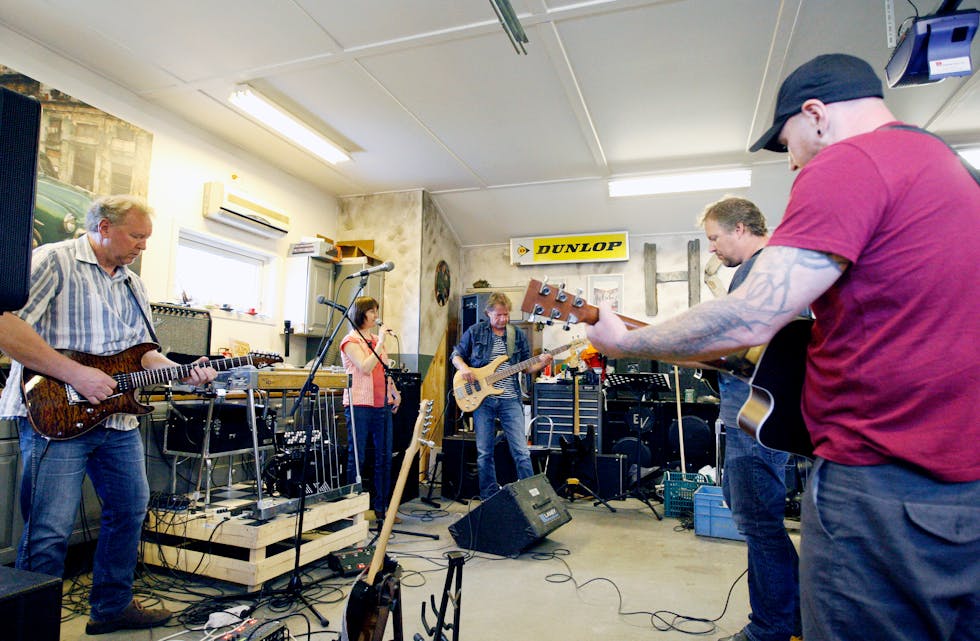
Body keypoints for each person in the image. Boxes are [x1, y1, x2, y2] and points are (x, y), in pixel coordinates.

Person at [585, 53, 979, 641]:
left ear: (816, 114)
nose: (794, 164)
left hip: (879, 482)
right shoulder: (953, 169)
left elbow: (753, 315)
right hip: (957, 489)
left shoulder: (851, 162)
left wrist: (626, 340)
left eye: (789, 144)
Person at [0, 195, 217, 635]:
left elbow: (144, 354)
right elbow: (6, 323)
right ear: (102, 226)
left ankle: (112, 607)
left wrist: (183, 373)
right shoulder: (53, 261)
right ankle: (29, 628)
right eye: (136, 235)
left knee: (129, 511)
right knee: (48, 531)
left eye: (146, 238)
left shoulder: (133, 284)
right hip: (54, 415)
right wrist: (76, 374)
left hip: (117, 421)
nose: (143, 246)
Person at [699, 196, 800, 641]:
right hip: (752, 415)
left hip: (753, 421)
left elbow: (746, 343)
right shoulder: (761, 270)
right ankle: (792, 619)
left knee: (759, 524)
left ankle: (772, 627)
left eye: (714, 238)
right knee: (758, 522)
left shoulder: (761, 267)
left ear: (740, 228)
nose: (713, 250)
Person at [451, 292, 552, 500]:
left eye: (506, 315)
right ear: (488, 313)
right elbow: (456, 355)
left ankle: (532, 497)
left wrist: (542, 363)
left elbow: (526, 367)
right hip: (482, 400)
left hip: (510, 398)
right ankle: (489, 497)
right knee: (484, 453)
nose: (503, 319)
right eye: (498, 315)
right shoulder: (475, 331)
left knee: (522, 452)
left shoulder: (516, 335)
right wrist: (463, 368)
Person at [340, 296, 401, 522]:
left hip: (380, 403)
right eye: (372, 311)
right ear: (361, 313)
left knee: (384, 456)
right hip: (359, 404)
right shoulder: (350, 340)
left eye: (376, 311)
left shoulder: (375, 339)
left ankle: (382, 509)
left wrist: (394, 392)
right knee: (357, 457)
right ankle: (350, 511)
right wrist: (382, 340)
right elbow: (365, 367)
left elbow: (383, 369)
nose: (376, 315)